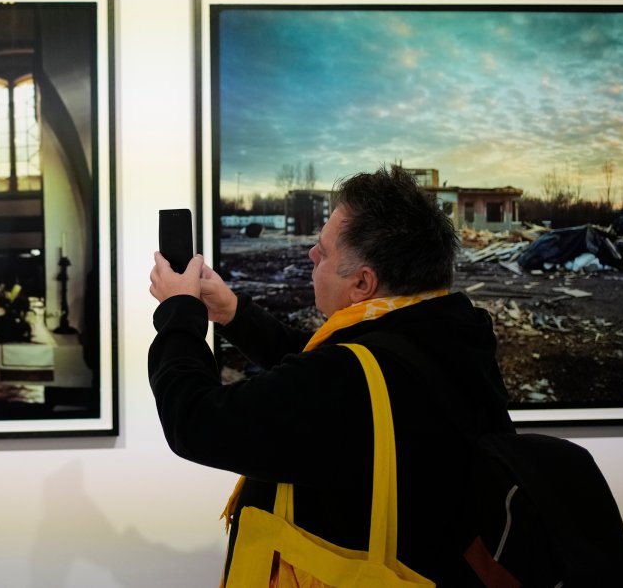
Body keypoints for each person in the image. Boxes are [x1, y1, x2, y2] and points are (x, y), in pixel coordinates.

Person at [147, 166, 514, 585]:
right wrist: (232, 312)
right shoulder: (442, 335)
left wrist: (179, 313)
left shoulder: (349, 381)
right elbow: (324, 367)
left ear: (362, 283)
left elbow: (195, 421)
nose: (311, 256)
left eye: (322, 251)